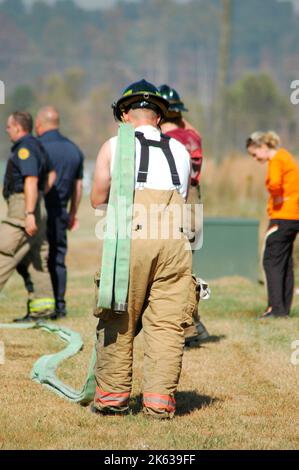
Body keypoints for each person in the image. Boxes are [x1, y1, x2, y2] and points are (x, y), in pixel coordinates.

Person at [90, 79, 197, 419]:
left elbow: (97, 200)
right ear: (158, 116)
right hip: (174, 240)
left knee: (119, 315)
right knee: (166, 324)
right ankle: (159, 404)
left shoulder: (113, 145)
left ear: (124, 114)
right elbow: (185, 201)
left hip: (133, 236)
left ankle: (111, 399)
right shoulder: (179, 150)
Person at [159, 84, 209, 345]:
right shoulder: (192, 136)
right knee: (184, 269)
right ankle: (195, 324)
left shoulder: (167, 139)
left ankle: (188, 328)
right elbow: (190, 128)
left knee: (173, 272)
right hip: (195, 205)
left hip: (179, 204)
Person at [0, 111, 55, 321]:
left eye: (8, 126)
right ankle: (43, 309)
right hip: (36, 204)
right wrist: (41, 197)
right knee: (35, 259)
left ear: (17, 127)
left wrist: (29, 212)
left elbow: (30, 180)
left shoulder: (24, 148)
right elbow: (52, 174)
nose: (7, 130)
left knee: (4, 250)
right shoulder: (38, 145)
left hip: (24, 207)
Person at [34, 106, 84, 319]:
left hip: (38, 212)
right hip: (61, 211)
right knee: (58, 259)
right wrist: (73, 212)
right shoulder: (74, 149)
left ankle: (40, 305)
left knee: (38, 258)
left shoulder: (35, 146)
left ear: (40, 124)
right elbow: (78, 186)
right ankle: (60, 306)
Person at [246, 131, 299, 318]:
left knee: (271, 260)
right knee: (285, 261)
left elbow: (275, 184)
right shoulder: (286, 155)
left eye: (254, 154)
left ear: (263, 147)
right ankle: (283, 309)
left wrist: (275, 195)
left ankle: (275, 309)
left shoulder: (276, 160)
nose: (255, 158)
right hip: (294, 216)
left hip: (282, 216)